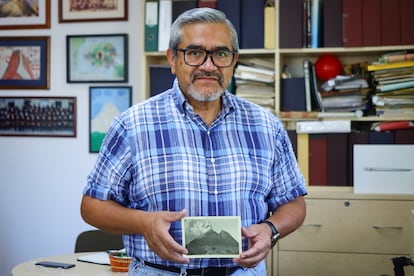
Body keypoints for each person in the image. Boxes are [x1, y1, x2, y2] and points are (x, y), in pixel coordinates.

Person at [81, 7, 307, 276]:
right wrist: (143, 222)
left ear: (233, 61)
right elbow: (92, 207)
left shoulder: (266, 126)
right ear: (172, 59)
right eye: (195, 53)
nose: (208, 66)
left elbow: (293, 203)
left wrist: (271, 229)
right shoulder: (132, 125)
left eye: (220, 54)